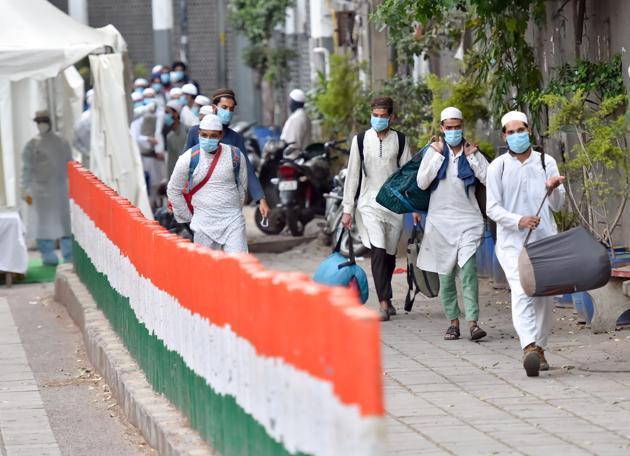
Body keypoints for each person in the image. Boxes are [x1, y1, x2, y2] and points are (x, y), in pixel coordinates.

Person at [486, 110, 566, 377]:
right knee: (522, 291)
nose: (517, 135)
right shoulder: (497, 167)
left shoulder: (547, 162)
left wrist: (552, 189)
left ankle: (540, 348)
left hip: (545, 241)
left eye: (521, 130)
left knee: (543, 295)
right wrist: (518, 220)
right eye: (511, 132)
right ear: (504, 136)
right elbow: (492, 208)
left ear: (529, 131)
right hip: (512, 243)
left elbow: (558, 205)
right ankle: (528, 346)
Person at [416, 107, 489, 341]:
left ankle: (473, 323)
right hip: (439, 223)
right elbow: (422, 182)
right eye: (449, 128)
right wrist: (437, 155)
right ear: (442, 129)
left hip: (468, 221)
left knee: (467, 272)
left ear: (463, 127)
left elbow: (489, 179)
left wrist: (471, 158)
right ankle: (453, 322)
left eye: (457, 127)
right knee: (446, 276)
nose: (454, 132)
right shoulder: (434, 151)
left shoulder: (473, 152)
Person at [341, 96, 412, 321]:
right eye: (375, 116)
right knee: (378, 250)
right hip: (369, 203)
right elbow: (353, 176)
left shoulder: (400, 140)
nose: (378, 120)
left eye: (383, 116)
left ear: (392, 117)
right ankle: (382, 303)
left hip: (394, 206)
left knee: (390, 255)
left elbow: (408, 174)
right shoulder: (360, 140)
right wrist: (348, 209)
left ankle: (387, 297)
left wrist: (413, 207)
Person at [184, 88, 270, 219]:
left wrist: (260, 198)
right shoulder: (195, 132)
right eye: (224, 107)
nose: (228, 112)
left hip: (227, 201)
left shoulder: (236, 139)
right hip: (200, 200)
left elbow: (246, 169)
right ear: (214, 107)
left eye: (231, 109)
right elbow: (184, 165)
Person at [167, 114, 248, 253]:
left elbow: (242, 187)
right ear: (198, 134)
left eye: (213, 135)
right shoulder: (187, 159)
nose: (208, 139)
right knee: (207, 270)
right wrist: (188, 218)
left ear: (221, 135)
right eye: (204, 135)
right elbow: (173, 190)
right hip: (202, 225)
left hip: (233, 222)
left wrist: (235, 210)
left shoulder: (235, 155)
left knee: (238, 266)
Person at [21, 110, 73, 265]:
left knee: (64, 224)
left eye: (43, 120)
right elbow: (26, 168)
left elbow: (69, 165)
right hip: (40, 191)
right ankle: (49, 257)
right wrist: (24, 188)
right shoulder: (32, 144)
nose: (41, 124)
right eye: (39, 121)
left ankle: (68, 256)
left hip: (59, 189)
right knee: (42, 224)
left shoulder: (62, 142)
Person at [130, 90, 165, 207]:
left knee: (156, 184)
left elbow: (159, 134)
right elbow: (134, 137)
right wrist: (147, 140)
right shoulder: (136, 118)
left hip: (153, 156)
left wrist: (158, 149)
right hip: (140, 156)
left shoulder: (156, 116)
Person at [164, 100, 188, 178]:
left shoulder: (188, 131)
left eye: (168, 112)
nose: (165, 116)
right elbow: (171, 162)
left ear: (176, 114)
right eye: (165, 113)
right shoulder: (169, 136)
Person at [73, 88, 93, 168]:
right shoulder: (83, 119)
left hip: (89, 157)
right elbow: (74, 141)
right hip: (90, 159)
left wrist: (87, 153)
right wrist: (88, 153)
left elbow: (75, 141)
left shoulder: (81, 118)